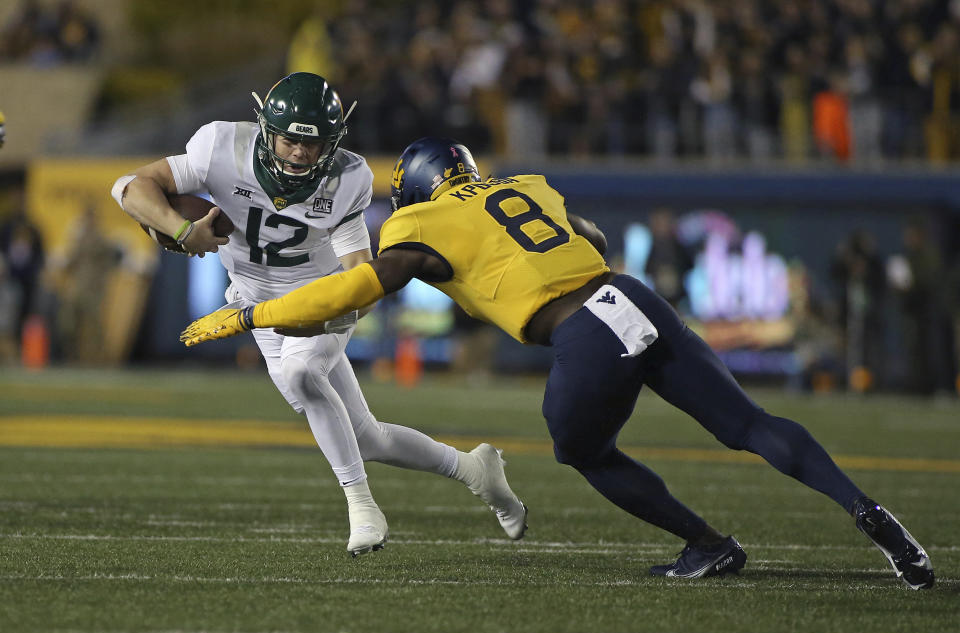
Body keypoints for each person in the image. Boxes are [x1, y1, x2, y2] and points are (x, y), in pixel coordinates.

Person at [181, 136, 937, 589]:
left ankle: (706, 545)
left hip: (584, 332)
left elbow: (347, 289)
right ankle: (869, 512)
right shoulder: (525, 184)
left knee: (578, 446)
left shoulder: (418, 220)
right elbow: (593, 235)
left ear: (412, 184)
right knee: (748, 422)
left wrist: (251, 313)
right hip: (629, 297)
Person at [112, 75, 526, 557]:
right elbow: (127, 187)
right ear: (266, 129)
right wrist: (182, 229)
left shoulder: (348, 176)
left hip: (323, 297)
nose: (300, 154)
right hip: (256, 304)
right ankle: (475, 470)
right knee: (367, 436)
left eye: (314, 143)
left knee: (303, 370)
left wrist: (347, 304)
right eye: (290, 139)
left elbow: (357, 271)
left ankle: (362, 504)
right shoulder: (220, 146)